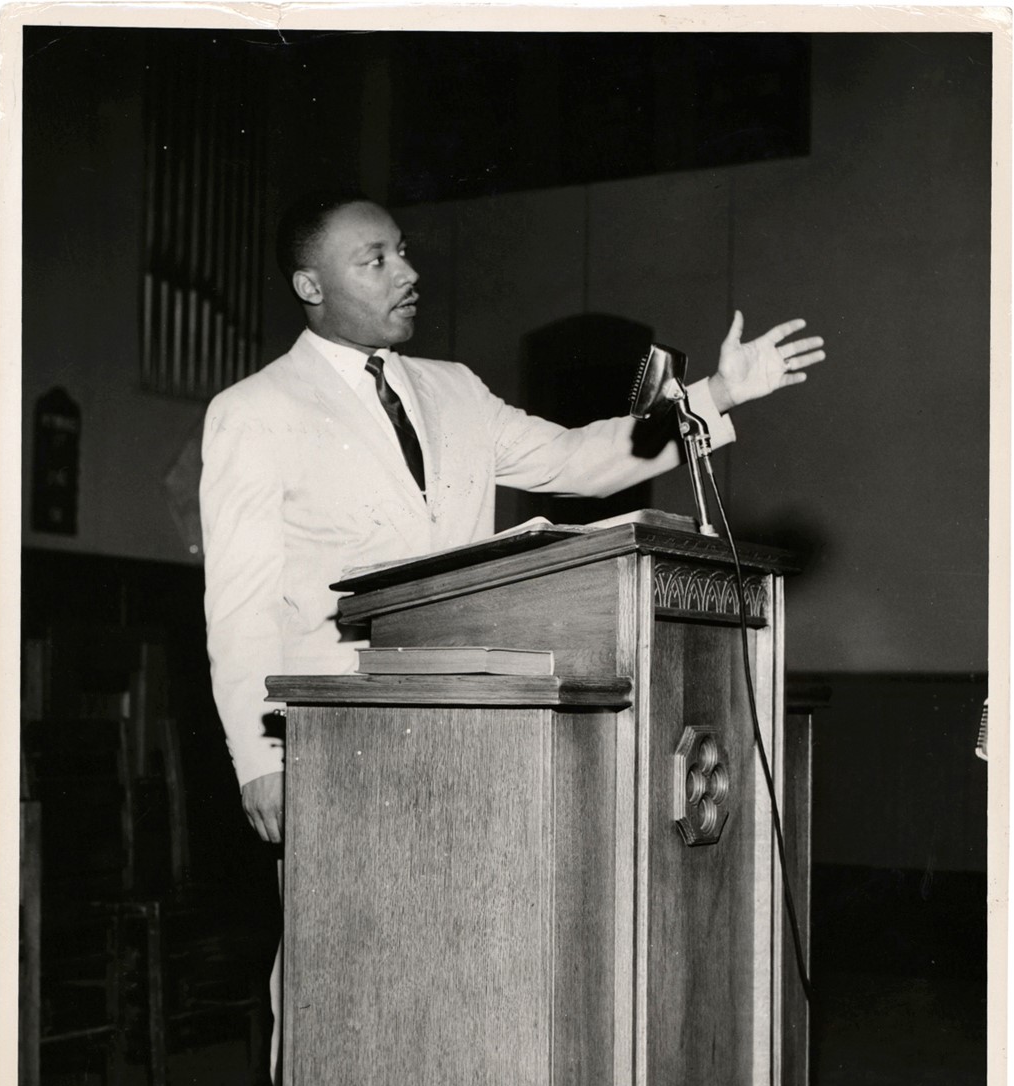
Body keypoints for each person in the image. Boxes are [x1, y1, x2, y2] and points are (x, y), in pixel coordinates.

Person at [201, 189, 826, 846]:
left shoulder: (455, 388)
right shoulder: (253, 411)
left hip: (473, 722)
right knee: (337, 944)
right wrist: (258, 761)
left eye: (403, 253)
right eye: (374, 261)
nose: (407, 273)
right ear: (310, 283)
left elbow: (577, 459)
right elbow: (239, 611)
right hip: (337, 734)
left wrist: (718, 394)